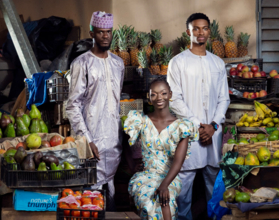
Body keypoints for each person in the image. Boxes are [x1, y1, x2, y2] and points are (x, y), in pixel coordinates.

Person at [167, 13, 230, 219]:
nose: (200, 32)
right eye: (196, 28)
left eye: (204, 28)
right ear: (188, 32)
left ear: (209, 32)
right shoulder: (178, 63)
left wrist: (213, 125)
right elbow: (174, 99)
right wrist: (198, 125)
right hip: (189, 133)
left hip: (213, 133)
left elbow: (224, 99)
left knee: (215, 185)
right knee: (184, 186)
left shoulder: (217, 63)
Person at [66, 11, 124, 210]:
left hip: (113, 137)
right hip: (92, 136)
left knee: (110, 186)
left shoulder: (118, 63)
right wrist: (86, 139)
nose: (105, 36)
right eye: (100, 32)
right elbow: (72, 105)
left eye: (108, 32)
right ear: (92, 33)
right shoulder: (81, 64)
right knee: (91, 192)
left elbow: (116, 100)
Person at [124, 78, 199, 220]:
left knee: (166, 203)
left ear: (170, 95)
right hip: (145, 177)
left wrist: (164, 185)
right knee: (148, 202)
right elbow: (124, 142)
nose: (159, 98)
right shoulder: (141, 121)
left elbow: (178, 161)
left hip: (170, 177)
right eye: (154, 94)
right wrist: (132, 165)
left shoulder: (182, 126)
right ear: (149, 97)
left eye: (163, 93)